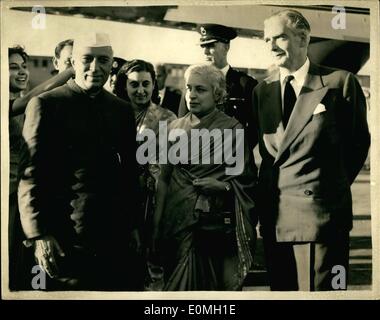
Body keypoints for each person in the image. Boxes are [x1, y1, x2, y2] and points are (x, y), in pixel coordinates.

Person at [252, 10, 370, 290]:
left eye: (279, 38)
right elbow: (270, 155)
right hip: (275, 217)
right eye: (266, 39)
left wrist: (326, 188)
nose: (270, 46)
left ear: (303, 38)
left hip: (320, 216)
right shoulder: (262, 91)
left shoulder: (339, 83)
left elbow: (357, 146)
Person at [18, 33, 142, 291]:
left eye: (103, 60)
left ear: (111, 65)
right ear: (73, 62)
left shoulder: (120, 109)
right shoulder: (46, 104)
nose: (95, 68)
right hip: (63, 239)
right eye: (87, 59)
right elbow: (30, 175)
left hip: (114, 237)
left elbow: (129, 175)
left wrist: (132, 227)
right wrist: (39, 235)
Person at [152, 64, 257, 290]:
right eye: (188, 88)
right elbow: (163, 179)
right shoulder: (172, 128)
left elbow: (245, 181)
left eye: (200, 89)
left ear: (217, 94)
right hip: (175, 222)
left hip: (212, 225)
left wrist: (222, 186)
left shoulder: (231, 129)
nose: (191, 95)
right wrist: (157, 225)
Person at [114, 59, 176, 289]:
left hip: (153, 201)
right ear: (124, 86)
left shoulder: (166, 118)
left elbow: (167, 171)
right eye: (134, 84)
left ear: (153, 86)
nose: (140, 90)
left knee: (153, 264)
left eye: (146, 84)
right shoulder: (114, 113)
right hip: (118, 200)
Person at [178, 24, 258, 147]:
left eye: (210, 45)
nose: (205, 51)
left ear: (226, 47)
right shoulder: (191, 82)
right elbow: (182, 124)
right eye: (203, 46)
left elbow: (255, 129)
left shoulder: (245, 85)